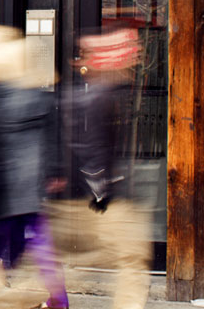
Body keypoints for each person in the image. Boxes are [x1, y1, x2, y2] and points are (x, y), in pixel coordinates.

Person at [0, 24, 68, 309]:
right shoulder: (34, 94)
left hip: (10, 185)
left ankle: (55, 298)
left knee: (28, 241)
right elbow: (51, 137)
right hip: (26, 185)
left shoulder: (3, 96)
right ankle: (55, 298)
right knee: (21, 239)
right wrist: (53, 171)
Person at [48, 25, 150, 309]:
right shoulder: (102, 97)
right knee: (132, 261)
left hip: (78, 198)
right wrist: (101, 193)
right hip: (102, 201)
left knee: (43, 268)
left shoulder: (83, 96)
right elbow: (93, 149)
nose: (135, 62)